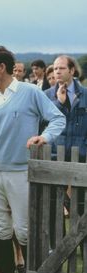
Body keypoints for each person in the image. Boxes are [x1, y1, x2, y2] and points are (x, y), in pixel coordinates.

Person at [0, 45, 66, 273]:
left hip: (20, 172)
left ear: (1, 67)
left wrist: (44, 136)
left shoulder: (29, 92)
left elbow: (57, 118)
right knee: (1, 229)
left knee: (24, 230)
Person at [45, 55, 87, 240]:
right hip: (55, 156)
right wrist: (60, 104)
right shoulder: (46, 96)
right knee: (54, 204)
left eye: (61, 68)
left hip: (80, 157)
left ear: (72, 70)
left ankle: (80, 241)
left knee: (80, 204)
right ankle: (57, 243)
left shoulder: (85, 94)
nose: (57, 72)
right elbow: (45, 122)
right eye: (55, 69)